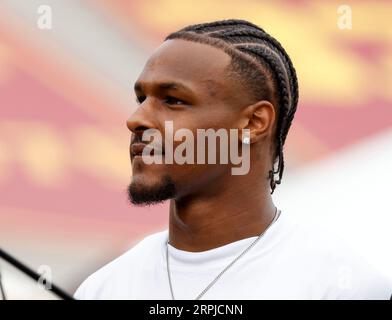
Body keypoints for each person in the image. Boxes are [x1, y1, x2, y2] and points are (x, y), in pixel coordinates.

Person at [74, 19, 391, 300]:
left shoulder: (340, 285)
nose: (136, 119)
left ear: (254, 123)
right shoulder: (104, 288)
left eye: (173, 100)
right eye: (142, 99)